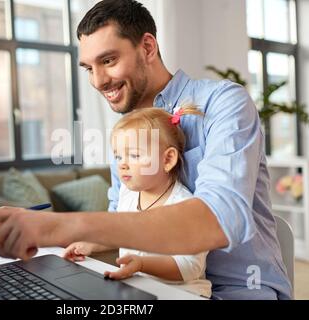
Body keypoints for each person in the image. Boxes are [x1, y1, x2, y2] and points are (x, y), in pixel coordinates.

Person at [0, 0, 293, 299]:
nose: (98, 81)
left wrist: (64, 223)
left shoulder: (224, 102)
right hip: (160, 288)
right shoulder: (126, 135)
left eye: (108, 60)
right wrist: (49, 231)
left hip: (239, 290)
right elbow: (122, 222)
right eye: (88, 68)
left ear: (148, 47)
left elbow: (220, 218)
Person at [63, 107, 212, 298]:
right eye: (118, 156)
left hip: (184, 293)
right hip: (141, 290)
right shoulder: (128, 194)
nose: (122, 164)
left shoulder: (186, 207)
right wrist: (90, 245)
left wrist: (142, 264)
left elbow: (189, 267)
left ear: (167, 159)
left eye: (134, 155)